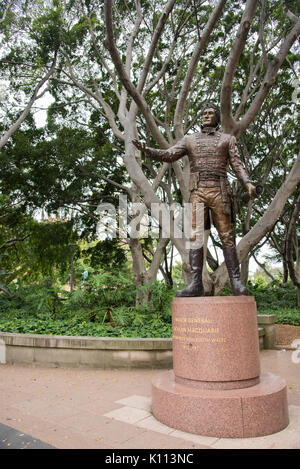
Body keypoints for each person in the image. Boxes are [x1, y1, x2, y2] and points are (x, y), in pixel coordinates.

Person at [133, 103, 256, 297]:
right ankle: (196, 284)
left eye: (210, 113)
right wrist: (148, 150)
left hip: (219, 190)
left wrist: (247, 183)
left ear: (217, 118)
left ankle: (236, 283)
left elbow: (237, 165)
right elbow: (169, 154)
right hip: (197, 191)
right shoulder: (190, 140)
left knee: (227, 236)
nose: (206, 116)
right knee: (195, 237)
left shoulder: (227, 139)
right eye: (204, 113)